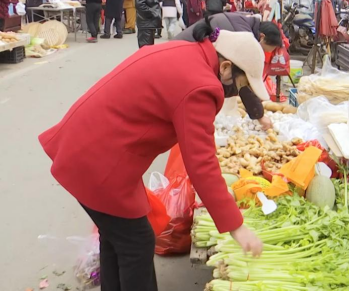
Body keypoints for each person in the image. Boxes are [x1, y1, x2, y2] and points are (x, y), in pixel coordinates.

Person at [38, 28, 266, 291]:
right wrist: (236, 227)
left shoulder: (186, 52)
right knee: (136, 243)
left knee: (119, 238)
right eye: (240, 85)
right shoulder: (200, 85)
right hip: (98, 161)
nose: (237, 93)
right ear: (226, 67)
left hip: (89, 148)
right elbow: (201, 164)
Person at [175, 13, 284, 130]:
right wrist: (260, 115)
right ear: (261, 37)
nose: (260, 55)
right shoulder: (241, 37)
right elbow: (243, 82)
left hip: (180, 59)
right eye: (262, 50)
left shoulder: (242, 25)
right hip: (178, 63)